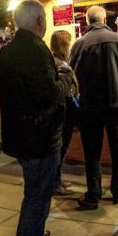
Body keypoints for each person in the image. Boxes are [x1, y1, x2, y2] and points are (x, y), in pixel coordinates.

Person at [0, 0, 72, 236]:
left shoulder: (8, 50)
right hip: (38, 137)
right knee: (38, 194)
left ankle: (33, 233)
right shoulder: (37, 50)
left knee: (34, 191)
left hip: (18, 135)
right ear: (40, 20)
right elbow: (49, 96)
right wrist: (66, 77)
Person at [70, 5, 118, 209]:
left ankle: (93, 195)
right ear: (105, 21)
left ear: (88, 21)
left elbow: (72, 78)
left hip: (90, 107)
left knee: (92, 153)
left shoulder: (79, 44)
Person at [50, 30, 80, 197]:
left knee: (61, 149)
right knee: (61, 150)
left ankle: (58, 179)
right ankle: (55, 183)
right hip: (64, 115)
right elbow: (67, 93)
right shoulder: (61, 65)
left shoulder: (53, 61)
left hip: (61, 114)